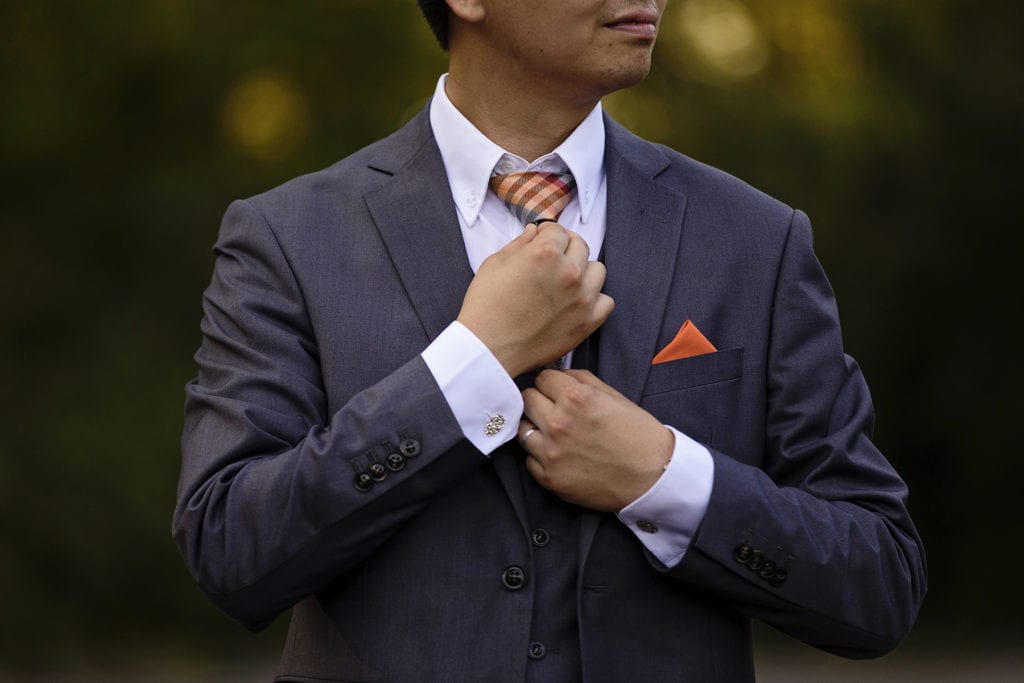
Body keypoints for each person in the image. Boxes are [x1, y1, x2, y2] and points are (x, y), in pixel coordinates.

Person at [173, 1, 926, 680]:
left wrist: (664, 477)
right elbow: (232, 551)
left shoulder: (755, 240)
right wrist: (475, 364)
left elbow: (879, 582)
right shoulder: (289, 237)